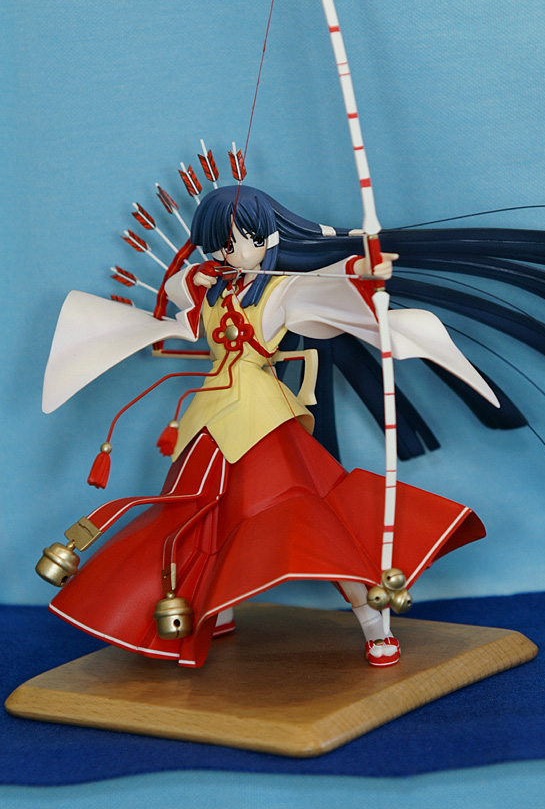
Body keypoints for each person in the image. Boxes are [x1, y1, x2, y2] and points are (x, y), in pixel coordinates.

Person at [43, 185, 500, 668]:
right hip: (209, 418)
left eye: (239, 241)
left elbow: (322, 287)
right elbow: (178, 289)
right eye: (218, 244)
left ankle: (374, 624)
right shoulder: (213, 289)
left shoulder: (280, 291)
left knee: (311, 520)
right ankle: (215, 611)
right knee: (202, 518)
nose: (227, 252)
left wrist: (362, 270)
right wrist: (197, 274)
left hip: (261, 419)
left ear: (268, 239)